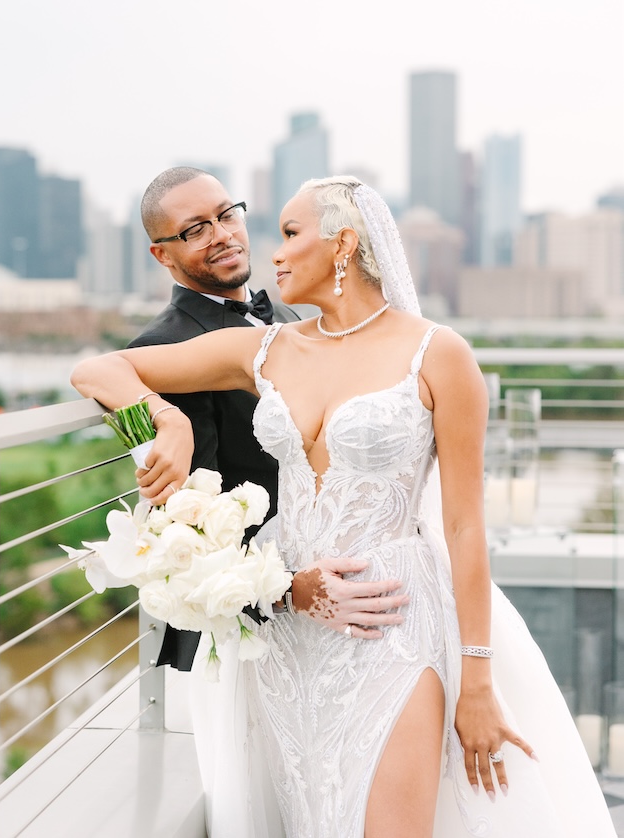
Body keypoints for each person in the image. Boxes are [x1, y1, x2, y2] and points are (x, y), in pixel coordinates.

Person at [71, 176, 616, 838]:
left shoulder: (439, 353)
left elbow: (467, 526)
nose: (271, 252)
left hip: (395, 623)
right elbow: (96, 370)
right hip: (290, 632)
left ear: (343, 245)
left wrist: (476, 681)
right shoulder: (263, 351)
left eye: (291, 234)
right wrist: (166, 420)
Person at [131, 166, 406, 672]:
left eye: (226, 215)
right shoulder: (165, 346)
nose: (223, 235)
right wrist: (288, 592)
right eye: (196, 230)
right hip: (259, 617)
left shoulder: (283, 320)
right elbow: (195, 520)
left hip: (337, 582)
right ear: (162, 254)